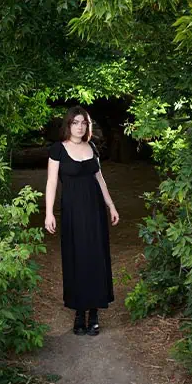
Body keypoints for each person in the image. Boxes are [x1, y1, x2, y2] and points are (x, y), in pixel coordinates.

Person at [44, 106, 120, 335]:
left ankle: (94, 312)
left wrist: (111, 205)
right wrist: (48, 213)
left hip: (95, 211)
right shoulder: (58, 149)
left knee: (96, 257)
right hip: (72, 212)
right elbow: (51, 183)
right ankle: (79, 313)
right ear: (68, 125)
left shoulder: (92, 147)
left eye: (84, 123)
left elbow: (100, 178)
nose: (80, 126)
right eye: (75, 122)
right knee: (76, 258)